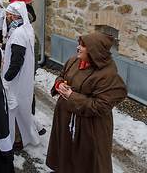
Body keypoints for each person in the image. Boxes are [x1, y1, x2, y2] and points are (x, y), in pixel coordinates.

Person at [46, 32, 127, 173]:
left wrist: (71, 96)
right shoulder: (74, 61)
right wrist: (59, 84)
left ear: (94, 51)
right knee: (66, 153)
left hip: (88, 129)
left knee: (85, 161)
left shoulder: (109, 75)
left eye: (83, 46)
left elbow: (101, 106)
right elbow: (61, 75)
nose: (78, 48)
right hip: (66, 119)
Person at [0, 1, 44, 150]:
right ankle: (36, 127)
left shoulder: (18, 34)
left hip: (17, 79)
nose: (6, 18)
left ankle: (18, 139)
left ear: (14, 17)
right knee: (22, 105)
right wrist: (1, 45)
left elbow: (17, 61)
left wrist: (6, 79)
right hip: (22, 77)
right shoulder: (23, 30)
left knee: (15, 107)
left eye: (8, 15)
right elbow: (16, 50)